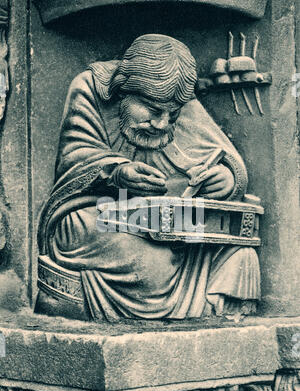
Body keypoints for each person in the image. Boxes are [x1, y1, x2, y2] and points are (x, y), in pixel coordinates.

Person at [36, 34, 260, 321]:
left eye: (173, 115)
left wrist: (226, 179)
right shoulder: (89, 87)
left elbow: (221, 155)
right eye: (153, 111)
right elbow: (73, 160)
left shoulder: (178, 97)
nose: (162, 124)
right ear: (123, 91)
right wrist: (117, 172)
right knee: (152, 263)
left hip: (168, 222)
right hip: (95, 214)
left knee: (242, 256)